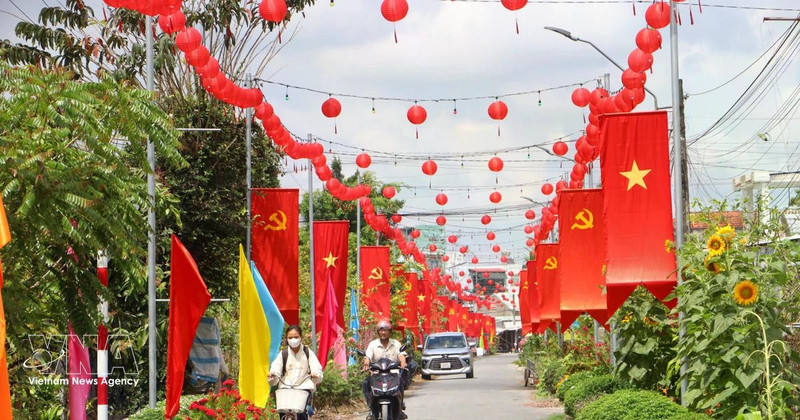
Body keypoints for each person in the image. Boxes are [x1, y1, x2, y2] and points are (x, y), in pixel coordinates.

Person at [269, 325, 324, 420]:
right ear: (287, 339)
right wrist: (273, 374)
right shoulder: (283, 354)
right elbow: (276, 368)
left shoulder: (307, 352)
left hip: (303, 387)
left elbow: (316, 367)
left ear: (301, 338)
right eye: (290, 337)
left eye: (296, 337)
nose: (293, 339)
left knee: (300, 411)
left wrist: (315, 374)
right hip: (286, 387)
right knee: (283, 412)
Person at [361, 320, 408, 420]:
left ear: (390, 332)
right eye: (381, 330)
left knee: (401, 380)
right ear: (378, 332)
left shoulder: (396, 343)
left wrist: (403, 362)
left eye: (386, 330)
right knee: (365, 383)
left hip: (393, 373)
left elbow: (401, 354)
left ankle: (400, 406)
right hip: (376, 373)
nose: (383, 333)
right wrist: (366, 363)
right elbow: (367, 356)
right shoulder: (372, 344)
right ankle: (370, 408)